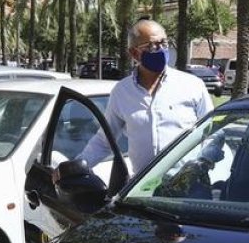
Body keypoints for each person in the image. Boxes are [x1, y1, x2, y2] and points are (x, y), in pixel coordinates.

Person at [64, 18, 214, 178]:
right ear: (134, 53)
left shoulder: (192, 85)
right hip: (143, 190)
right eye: (152, 45)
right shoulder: (122, 92)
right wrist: (76, 168)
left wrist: (203, 163)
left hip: (189, 186)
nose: (161, 49)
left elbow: (213, 131)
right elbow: (104, 141)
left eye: (164, 43)